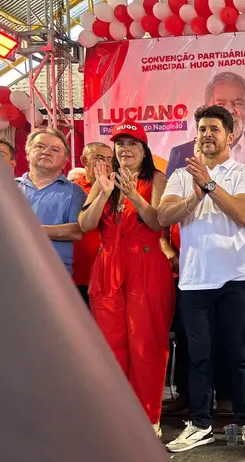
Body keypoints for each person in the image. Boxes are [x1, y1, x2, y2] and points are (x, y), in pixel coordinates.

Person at [158, 105, 245, 451]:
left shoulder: (244, 173)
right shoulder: (178, 176)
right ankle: (200, 424)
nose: (206, 134)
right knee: (200, 356)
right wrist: (195, 192)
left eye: (214, 129)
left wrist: (209, 183)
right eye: (202, 128)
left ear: (230, 136)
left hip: (236, 278)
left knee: (239, 353)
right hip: (193, 281)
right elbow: (164, 214)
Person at [78, 122, 175, 437]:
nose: (125, 150)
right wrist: (104, 193)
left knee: (146, 344)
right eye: (120, 144)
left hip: (146, 265)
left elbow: (157, 221)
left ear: (144, 150)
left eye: (133, 144)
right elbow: (86, 224)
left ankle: (149, 418)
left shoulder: (157, 179)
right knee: (110, 346)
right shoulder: (103, 182)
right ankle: (115, 416)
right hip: (108, 268)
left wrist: (134, 195)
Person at [17, 128, 86, 274]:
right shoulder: (9, 188)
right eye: (40, 146)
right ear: (28, 153)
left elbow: (77, 231)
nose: (46, 152)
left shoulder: (75, 192)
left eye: (55, 150)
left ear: (64, 162)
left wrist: (32, 229)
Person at [166, 72, 245, 177]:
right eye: (220, 104)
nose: (229, 110)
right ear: (207, 108)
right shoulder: (181, 154)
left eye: (237, 104)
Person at [73, 142, 113, 305]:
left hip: (109, 275)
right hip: (77, 275)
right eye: (99, 158)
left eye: (110, 159)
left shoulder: (120, 188)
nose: (106, 164)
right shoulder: (72, 189)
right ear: (84, 160)